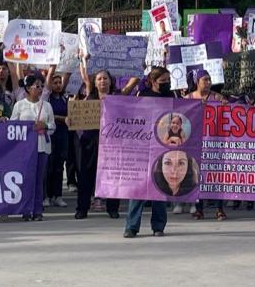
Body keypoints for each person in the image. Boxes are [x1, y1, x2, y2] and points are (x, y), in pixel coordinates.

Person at [74, 65, 134, 220]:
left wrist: (138, 68)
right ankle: (82, 208)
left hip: (112, 143)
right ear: (95, 82)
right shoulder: (89, 96)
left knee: (112, 175)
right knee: (86, 175)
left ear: (110, 81)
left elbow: (132, 84)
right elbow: (85, 75)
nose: (102, 81)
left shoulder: (117, 96)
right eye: (99, 79)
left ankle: (112, 208)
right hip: (90, 142)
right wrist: (83, 59)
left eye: (105, 78)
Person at [125, 67, 173, 238]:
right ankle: (131, 226)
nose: (166, 84)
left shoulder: (172, 96)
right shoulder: (142, 95)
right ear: (153, 81)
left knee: (159, 186)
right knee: (138, 188)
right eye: (163, 81)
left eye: (168, 81)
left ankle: (158, 226)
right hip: (142, 146)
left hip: (163, 147)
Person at [9, 74, 55, 221]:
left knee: (39, 179)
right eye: (37, 86)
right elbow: (13, 125)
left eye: (42, 86)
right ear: (28, 88)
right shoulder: (19, 105)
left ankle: (37, 210)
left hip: (42, 146)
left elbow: (53, 126)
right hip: (25, 149)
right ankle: (26, 209)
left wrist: (45, 125)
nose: (40, 89)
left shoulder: (47, 105)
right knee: (27, 179)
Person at [188, 70, 227, 220]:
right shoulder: (188, 98)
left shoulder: (217, 97)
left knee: (216, 175)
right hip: (195, 144)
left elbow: (228, 112)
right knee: (197, 176)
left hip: (214, 143)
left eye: (210, 80)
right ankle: (198, 208)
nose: (209, 83)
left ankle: (219, 208)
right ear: (197, 82)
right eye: (205, 80)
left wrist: (224, 105)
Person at [44, 71, 69, 209]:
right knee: (50, 165)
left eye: (60, 83)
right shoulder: (47, 99)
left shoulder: (65, 98)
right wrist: (62, 119)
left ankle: (58, 196)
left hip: (63, 134)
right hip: (51, 134)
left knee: (60, 165)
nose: (58, 85)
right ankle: (47, 195)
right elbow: (50, 115)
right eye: (55, 83)